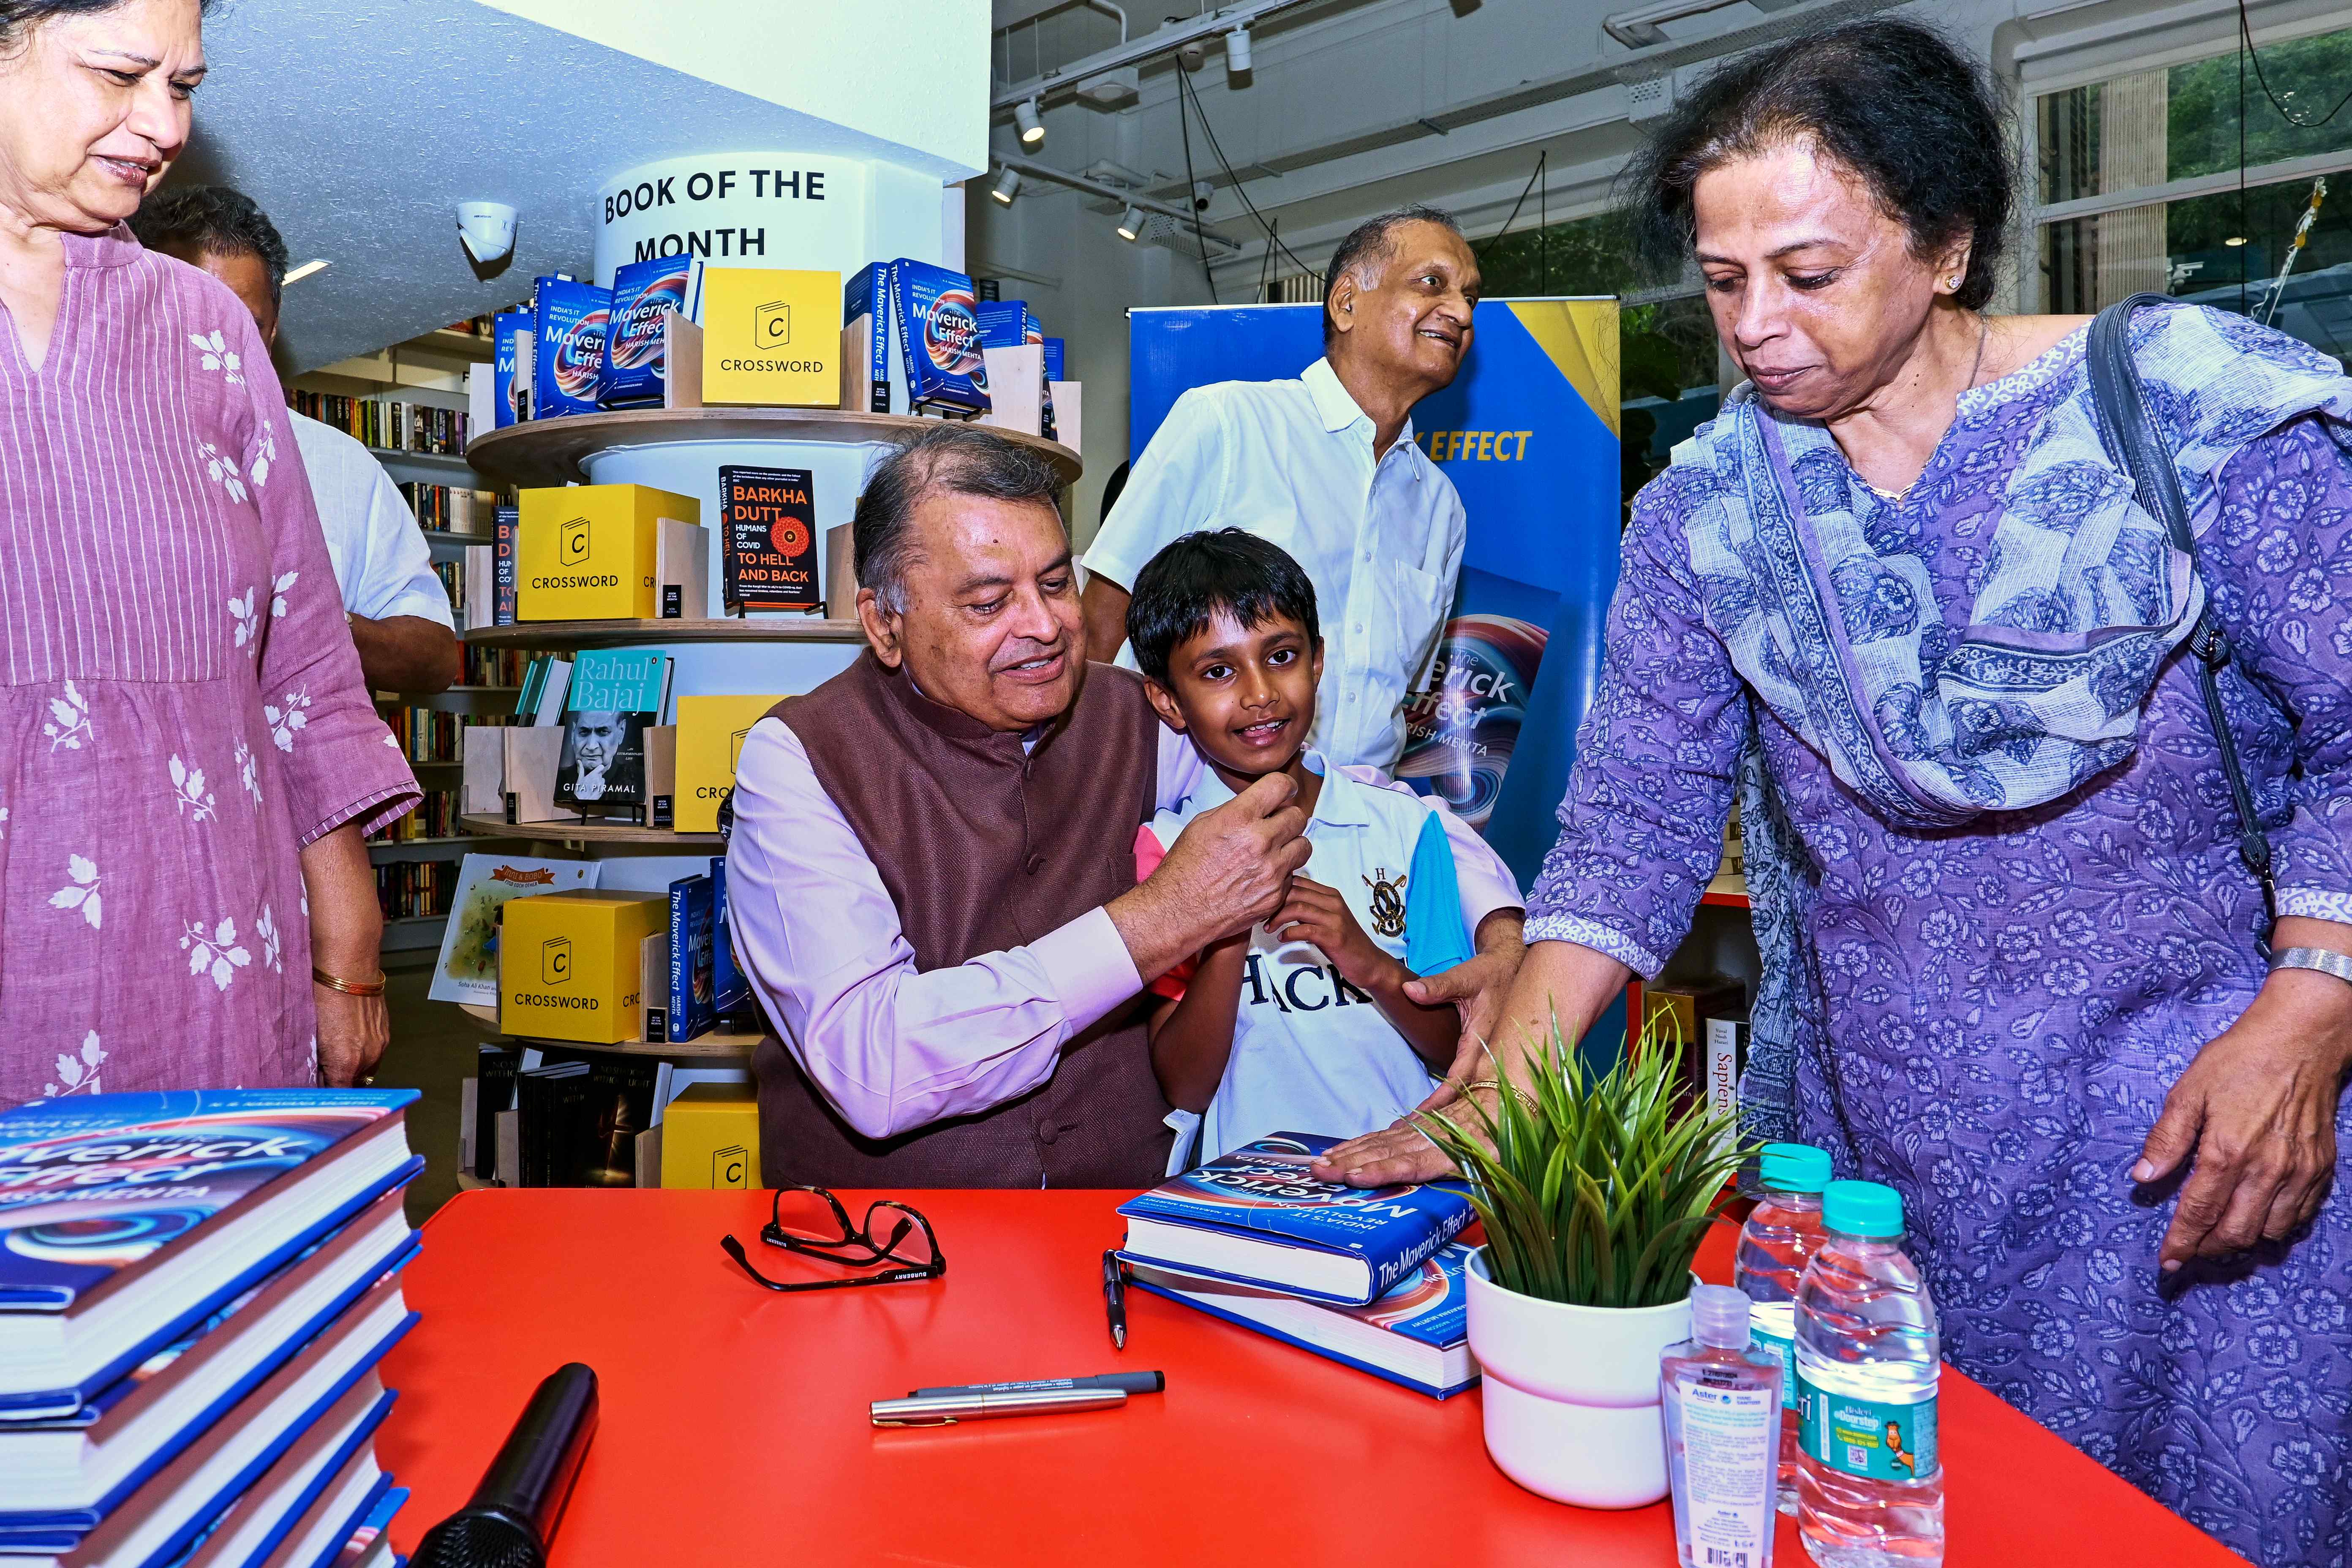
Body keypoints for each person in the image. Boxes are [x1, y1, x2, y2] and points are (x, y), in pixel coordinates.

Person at [1315, 21, 2352, 1561]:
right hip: (1877, 1179)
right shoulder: (1712, 517)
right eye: (1724, 283)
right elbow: (1625, 842)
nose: (1754, 328)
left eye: (1805, 273)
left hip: (2200, 1147)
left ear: (1945, 244)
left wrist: (2312, 1006)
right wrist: (1500, 1111)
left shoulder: (2191, 421)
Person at [723, 424, 1527, 1188]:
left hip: (1120, 1226)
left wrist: (1500, 931)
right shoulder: (799, 761)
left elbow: (1341, 790)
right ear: (884, 624)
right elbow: (874, 1065)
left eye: (1052, 581)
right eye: (987, 602)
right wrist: (1159, 920)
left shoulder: (1136, 716)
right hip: (886, 1243)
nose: (1042, 627)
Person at [0, 0, 418, 1100]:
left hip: (215, 958)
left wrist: (349, 951)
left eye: (182, 87)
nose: (164, 124)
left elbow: (303, 673)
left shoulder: (208, 331)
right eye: (121, 74)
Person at [1129, 529, 1521, 1168]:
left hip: (1403, 1180)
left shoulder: (1403, 830)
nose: (1259, 693)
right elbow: (1185, 1085)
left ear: (1317, 660)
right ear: (1168, 700)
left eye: (1280, 656)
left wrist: (1366, 961)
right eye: (1218, 671)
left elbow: (1455, 1047)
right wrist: (1226, 927)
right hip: (1249, 1194)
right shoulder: (1166, 850)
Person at [1079, 205, 1479, 772]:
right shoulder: (1225, 422)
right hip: (1187, 817)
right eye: (1433, 283)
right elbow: (1102, 617)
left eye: (1471, 297)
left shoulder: (1441, 508)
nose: (1461, 312)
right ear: (1346, 302)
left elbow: (1399, 692)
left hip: (1357, 827)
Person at [131, 186, 461, 695]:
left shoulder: (341, 465)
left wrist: (319, 622)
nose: (214, 345)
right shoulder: (80, 450)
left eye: (243, 324)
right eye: (189, 318)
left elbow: (435, 658)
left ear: (273, 330)